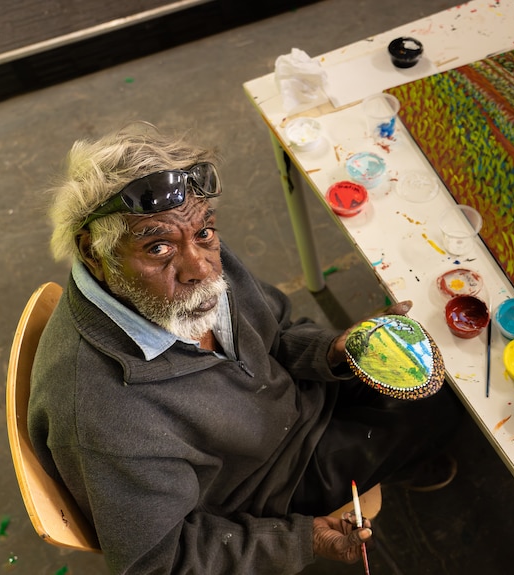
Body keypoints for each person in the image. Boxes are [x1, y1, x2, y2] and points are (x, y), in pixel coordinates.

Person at [28, 122, 462, 574]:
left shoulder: (193, 248)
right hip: (268, 485)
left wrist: (331, 351)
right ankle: (403, 460)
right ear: (96, 253)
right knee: (445, 408)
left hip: (290, 404)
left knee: (422, 371)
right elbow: (157, 564)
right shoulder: (106, 417)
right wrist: (298, 539)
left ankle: (398, 457)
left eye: (204, 233)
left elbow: (277, 328)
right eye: (157, 247)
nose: (200, 268)